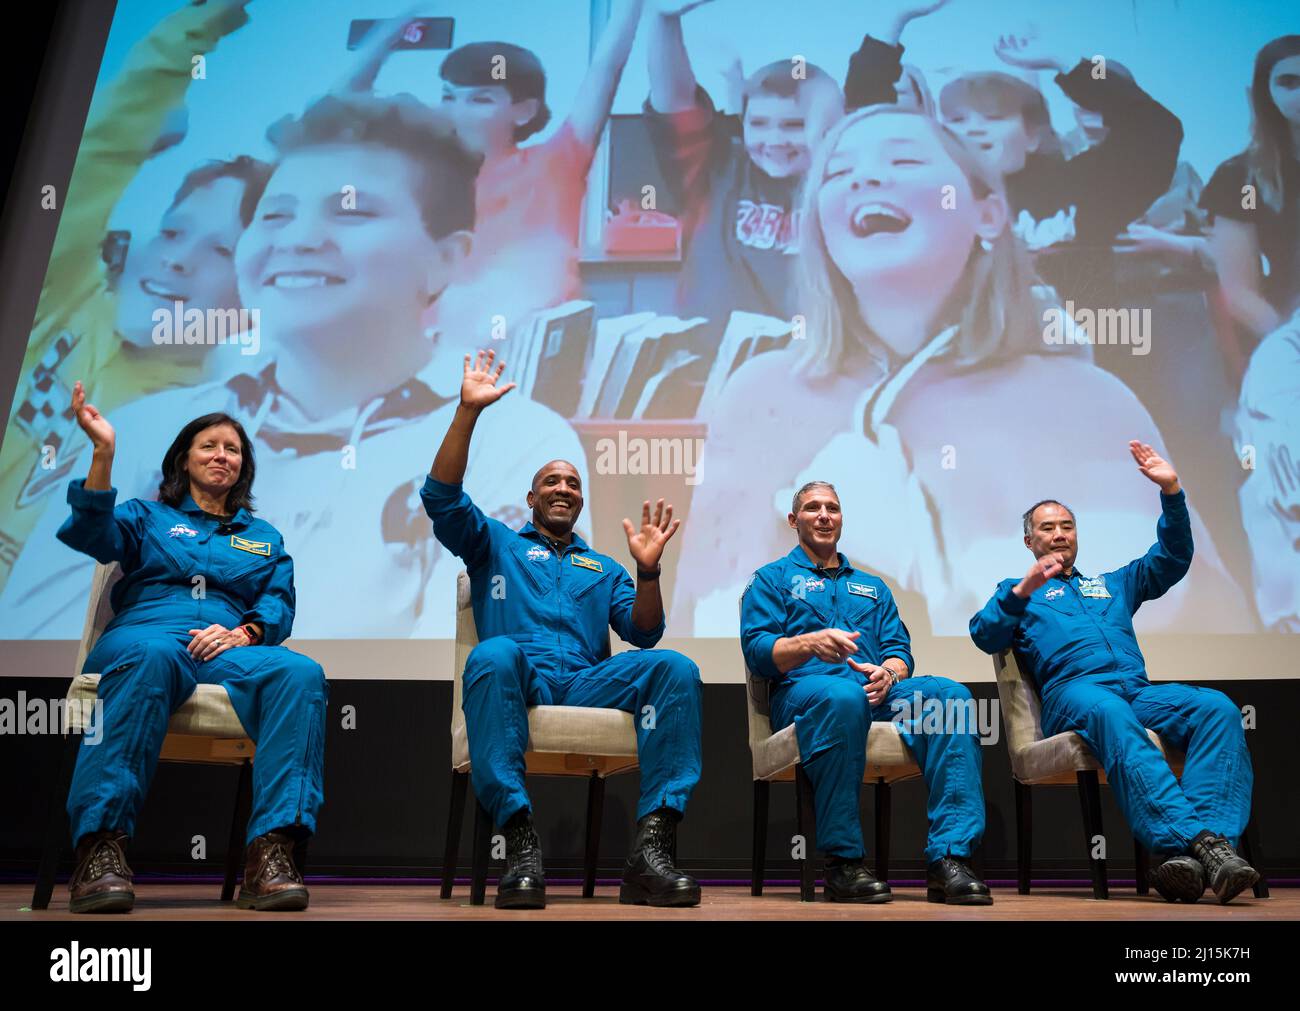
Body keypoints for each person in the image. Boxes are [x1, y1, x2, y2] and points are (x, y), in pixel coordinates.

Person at [1, 94, 590, 641]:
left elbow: (481, 633)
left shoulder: (515, 439)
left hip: (379, 719)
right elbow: (39, 625)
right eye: (276, 216)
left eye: (351, 212)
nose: (300, 239)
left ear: (445, 258)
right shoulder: (153, 426)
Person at [670, 105, 1250, 638]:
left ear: (988, 212)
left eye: (904, 160)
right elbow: (706, 626)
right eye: (837, 171)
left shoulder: (1090, 398)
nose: (865, 178)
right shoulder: (759, 394)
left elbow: (1209, 615)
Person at [0, 0, 268, 595]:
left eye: (220, 251)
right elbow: (105, 148)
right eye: (172, 230)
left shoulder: (203, 418)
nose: (175, 257)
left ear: (257, 284)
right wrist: (196, 27)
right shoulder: (68, 297)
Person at [422, 349, 703, 909]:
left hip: (583, 681)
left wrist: (648, 572)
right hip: (519, 676)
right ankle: (521, 842)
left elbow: (644, 634)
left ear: (580, 500)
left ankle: (652, 848)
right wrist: (467, 412)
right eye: (551, 481)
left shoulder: (602, 567)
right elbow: (441, 499)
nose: (563, 489)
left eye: (573, 484)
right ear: (531, 498)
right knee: (493, 653)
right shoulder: (496, 544)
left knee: (674, 667)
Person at [57, 381, 326, 913]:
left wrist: (243, 633)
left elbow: (277, 604)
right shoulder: (146, 516)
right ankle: (101, 850)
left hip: (227, 649)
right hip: (147, 636)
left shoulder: (263, 536)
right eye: (209, 445)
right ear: (184, 458)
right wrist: (103, 452)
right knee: (153, 657)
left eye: (232, 449)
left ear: (242, 467)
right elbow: (92, 534)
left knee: (301, 673)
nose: (221, 455)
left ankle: (271, 853)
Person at [969, 442, 1258, 904]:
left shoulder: (1111, 583)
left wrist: (1172, 492)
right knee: (1109, 711)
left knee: (1216, 708)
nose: (1060, 534)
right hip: (1075, 697)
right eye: (1048, 528)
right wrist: (1024, 587)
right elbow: (985, 635)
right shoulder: (1017, 592)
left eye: (1067, 526)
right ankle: (1192, 841)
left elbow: (1172, 558)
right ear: (1029, 541)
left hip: (1136, 693)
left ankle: (1204, 853)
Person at [741, 480, 991, 904]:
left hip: (877, 697)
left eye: (833, 509)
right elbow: (758, 650)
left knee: (950, 697)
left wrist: (890, 674)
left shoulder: (874, 587)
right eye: (813, 508)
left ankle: (949, 859)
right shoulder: (771, 580)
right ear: (793, 520)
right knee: (843, 697)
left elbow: (899, 650)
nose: (824, 515)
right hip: (805, 696)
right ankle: (843, 863)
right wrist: (808, 643)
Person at [337, 2, 647, 343]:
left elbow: (607, 67)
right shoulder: (421, 172)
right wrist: (390, 34)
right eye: (449, 96)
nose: (456, 111)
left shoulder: (556, 161)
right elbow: (341, 106)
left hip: (534, 352)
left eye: (480, 100)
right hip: (432, 353)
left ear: (524, 112)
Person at [644, 0, 844, 325]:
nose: (775, 140)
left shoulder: (843, 186)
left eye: (794, 125)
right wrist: (664, 19)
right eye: (759, 124)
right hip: (708, 367)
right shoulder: (717, 170)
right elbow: (673, 100)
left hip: (811, 364)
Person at [1200, 35, 1300, 347]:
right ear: (1263, 92)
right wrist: (1289, 340)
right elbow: (1239, 293)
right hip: (1285, 335)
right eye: (1289, 81)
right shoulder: (1241, 179)